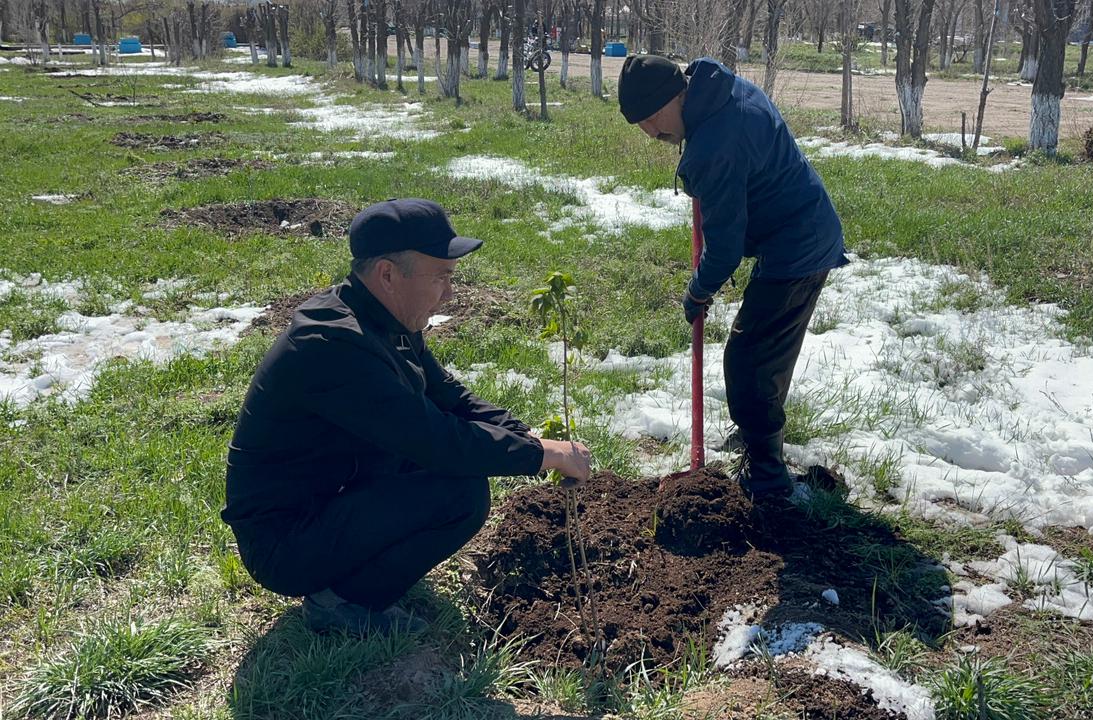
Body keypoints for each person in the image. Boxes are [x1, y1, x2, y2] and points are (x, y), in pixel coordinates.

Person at [221, 198, 592, 634]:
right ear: (388, 274)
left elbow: (446, 395)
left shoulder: (382, 318)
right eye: (441, 277)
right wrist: (541, 455)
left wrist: (519, 433)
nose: (450, 293)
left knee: (445, 475)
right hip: (286, 540)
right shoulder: (332, 344)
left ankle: (354, 576)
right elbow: (437, 440)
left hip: (333, 493)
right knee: (460, 496)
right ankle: (339, 603)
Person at [617, 55, 847, 500]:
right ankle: (758, 440)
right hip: (798, 230)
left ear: (673, 96)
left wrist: (697, 291)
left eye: (650, 119)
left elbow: (722, 250)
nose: (650, 133)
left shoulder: (714, 147)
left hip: (796, 247)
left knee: (749, 362)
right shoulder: (719, 89)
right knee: (764, 357)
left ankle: (768, 478)